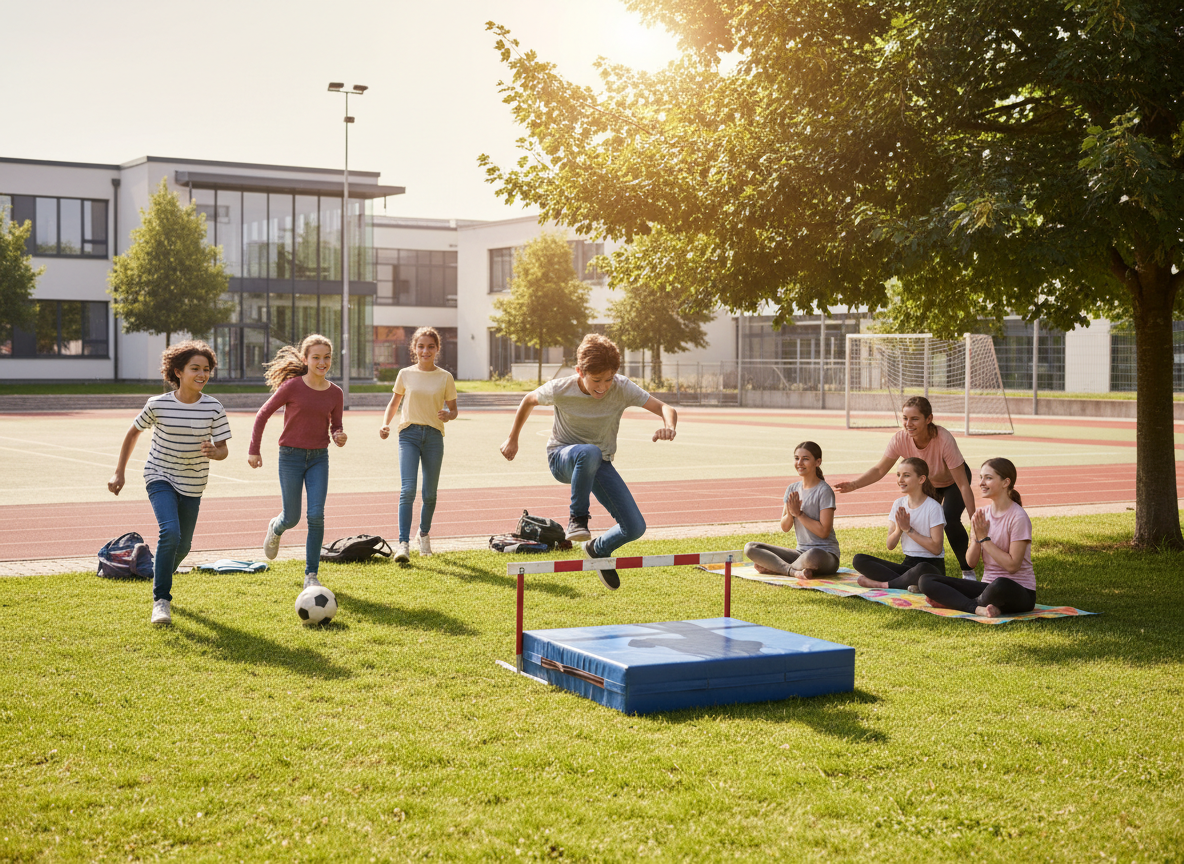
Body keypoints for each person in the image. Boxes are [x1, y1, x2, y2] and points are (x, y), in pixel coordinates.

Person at [499, 333, 677, 590]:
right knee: (589, 452)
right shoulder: (561, 388)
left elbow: (665, 408)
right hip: (562, 458)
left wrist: (668, 426)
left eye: (609, 379)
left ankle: (598, 548)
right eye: (596, 380)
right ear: (579, 371)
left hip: (599, 462)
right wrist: (512, 438)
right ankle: (578, 519)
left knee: (635, 527)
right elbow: (528, 400)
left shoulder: (622, 387)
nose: (603, 387)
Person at [108, 341, 232, 626]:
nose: (202, 374)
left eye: (206, 369)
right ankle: (161, 600)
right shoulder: (158, 404)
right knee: (170, 532)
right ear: (178, 371)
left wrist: (217, 452)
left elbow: (223, 449)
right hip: (159, 475)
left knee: (184, 546)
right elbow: (132, 433)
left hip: (194, 481)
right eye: (195, 369)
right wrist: (119, 473)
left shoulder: (214, 408)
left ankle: (159, 572)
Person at [834, 396, 976, 577]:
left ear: (929, 419)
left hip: (953, 481)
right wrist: (854, 485)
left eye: (915, 419)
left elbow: (964, 485)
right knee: (920, 518)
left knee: (950, 518)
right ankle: (921, 568)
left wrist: (974, 522)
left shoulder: (943, 439)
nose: (908, 423)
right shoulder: (900, 439)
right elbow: (879, 469)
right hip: (926, 481)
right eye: (905, 418)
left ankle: (968, 571)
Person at [248, 334, 346, 591]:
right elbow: (262, 415)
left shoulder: (335, 393)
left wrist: (339, 435)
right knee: (291, 518)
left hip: (318, 458)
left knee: (316, 516)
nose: (322, 362)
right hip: (290, 457)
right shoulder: (292, 386)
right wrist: (254, 450)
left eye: (326, 357)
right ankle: (276, 527)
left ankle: (311, 575)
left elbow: (336, 425)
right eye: (316, 357)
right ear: (305, 359)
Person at [917, 458, 1037, 617]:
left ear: (1005, 482)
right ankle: (977, 606)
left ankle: (957, 602)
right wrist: (976, 540)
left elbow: (1012, 566)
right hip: (987, 587)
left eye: (988, 478)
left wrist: (985, 540)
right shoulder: (982, 515)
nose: (981, 483)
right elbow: (970, 563)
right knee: (926, 580)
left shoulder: (1018, 517)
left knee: (1000, 585)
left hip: (1018, 591)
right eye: (981, 477)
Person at [379, 326, 458, 562]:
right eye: (421, 346)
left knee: (430, 494)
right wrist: (385, 424)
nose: (425, 350)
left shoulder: (445, 377)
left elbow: (453, 409)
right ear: (414, 348)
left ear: (437, 349)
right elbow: (394, 403)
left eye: (430, 346)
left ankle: (423, 534)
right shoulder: (405, 373)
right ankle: (403, 543)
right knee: (408, 490)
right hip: (409, 435)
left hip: (434, 437)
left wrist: (448, 415)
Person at [744, 441, 840, 579]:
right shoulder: (792, 489)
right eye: (796, 458)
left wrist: (799, 514)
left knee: (812, 555)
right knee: (751, 547)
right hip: (800, 554)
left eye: (805, 459)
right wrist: (790, 513)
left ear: (818, 462)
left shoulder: (824, 491)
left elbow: (824, 532)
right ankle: (793, 571)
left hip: (825, 556)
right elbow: (785, 527)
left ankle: (777, 568)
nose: (799, 463)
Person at [851, 457, 946, 590]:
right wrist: (899, 530)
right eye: (898, 475)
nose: (900, 480)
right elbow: (890, 545)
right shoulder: (898, 504)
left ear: (921, 479)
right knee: (859, 559)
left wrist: (908, 530)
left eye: (906, 476)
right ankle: (908, 582)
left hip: (931, 566)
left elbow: (936, 549)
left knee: (921, 569)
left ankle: (885, 584)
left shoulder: (933, 507)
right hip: (907, 565)